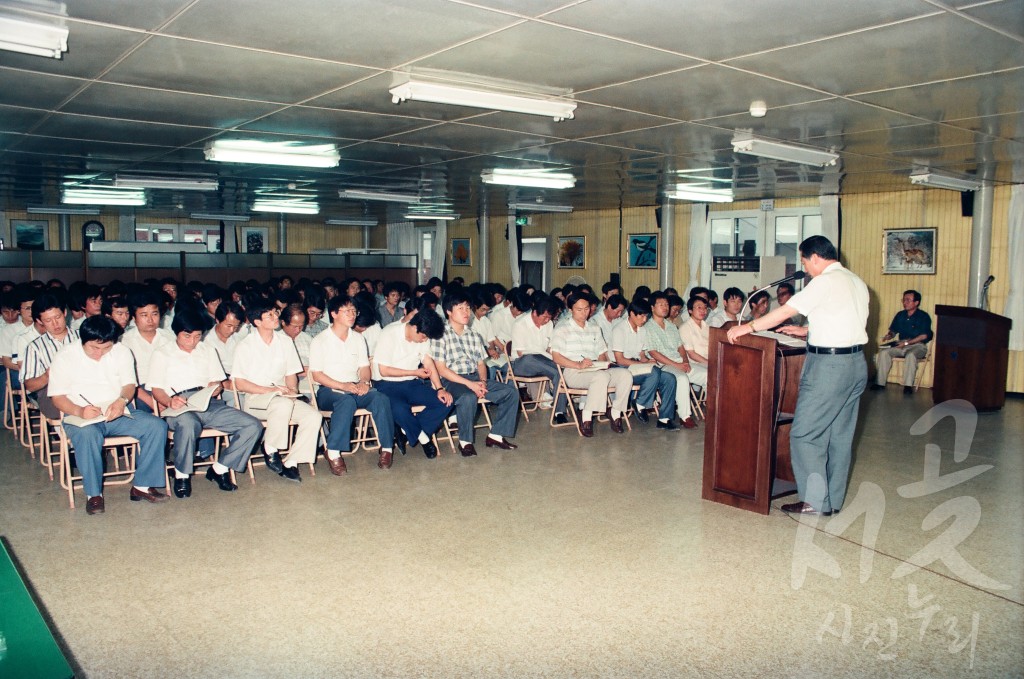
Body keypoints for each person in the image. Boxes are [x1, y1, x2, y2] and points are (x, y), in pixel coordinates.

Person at [727, 235, 868, 516]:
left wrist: (748, 327)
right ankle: (832, 501)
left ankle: (815, 502)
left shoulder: (824, 281)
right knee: (839, 436)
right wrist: (806, 331)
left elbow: (785, 312)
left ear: (815, 257)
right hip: (856, 364)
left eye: (804, 261)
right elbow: (844, 320)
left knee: (804, 435)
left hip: (829, 368)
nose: (804, 268)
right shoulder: (856, 281)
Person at [48, 316, 170, 515]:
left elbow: (130, 385)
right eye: (94, 348)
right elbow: (57, 397)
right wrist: (80, 411)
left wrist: (121, 401)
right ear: (82, 340)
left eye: (106, 348)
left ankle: (142, 486)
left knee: (156, 426)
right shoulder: (65, 356)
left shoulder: (121, 351)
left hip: (116, 412)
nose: (99, 353)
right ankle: (94, 494)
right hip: (80, 415)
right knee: (88, 435)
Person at [148, 310, 263, 498]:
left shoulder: (207, 350)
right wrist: (170, 401)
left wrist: (215, 388)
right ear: (177, 332)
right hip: (177, 403)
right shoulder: (162, 353)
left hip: (206, 401)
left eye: (197, 336)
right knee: (188, 423)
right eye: (187, 336)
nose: (192, 341)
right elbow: (156, 389)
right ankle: (182, 475)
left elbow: (218, 383)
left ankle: (219, 469)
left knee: (252, 425)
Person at [231, 299, 323, 483]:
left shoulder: (285, 341)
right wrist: (271, 390)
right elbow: (240, 383)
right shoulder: (245, 346)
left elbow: (291, 374)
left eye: (275, 312)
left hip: (282, 398)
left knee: (313, 416)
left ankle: (292, 462)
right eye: (270, 315)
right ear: (257, 322)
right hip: (256, 400)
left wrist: (292, 390)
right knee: (281, 403)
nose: (275, 317)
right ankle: (271, 448)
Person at [310, 294, 396, 472]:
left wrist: (364, 382)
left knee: (380, 398)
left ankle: (387, 448)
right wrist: (343, 386)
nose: (352, 315)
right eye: (347, 311)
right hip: (329, 390)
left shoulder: (358, 338)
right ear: (333, 314)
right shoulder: (320, 340)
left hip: (355, 387)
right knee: (346, 401)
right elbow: (317, 375)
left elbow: (364, 367)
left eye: (354, 311)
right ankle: (333, 451)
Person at [430, 290, 519, 457]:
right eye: (461, 308)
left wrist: (483, 382)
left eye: (467, 308)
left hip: (474, 378)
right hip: (452, 380)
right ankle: (465, 442)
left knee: (510, 392)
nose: (466, 312)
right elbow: (441, 369)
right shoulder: (439, 334)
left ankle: (496, 435)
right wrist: (471, 385)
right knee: (468, 397)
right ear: (449, 311)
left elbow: (480, 364)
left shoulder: (474, 335)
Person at [549, 292, 633, 437]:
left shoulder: (594, 328)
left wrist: (602, 363)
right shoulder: (562, 328)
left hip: (595, 369)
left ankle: (615, 412)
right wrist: (578, 365)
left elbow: (601, 353)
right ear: (570, 310)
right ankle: (586, 417)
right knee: (600, 377)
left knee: (625, 375)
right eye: (579, 310)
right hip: (573, 372)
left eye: (586, 309)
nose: (584, 313)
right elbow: (556, 357)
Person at [372, 309, 451, 459]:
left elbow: (428, 362)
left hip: (410, 383)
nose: (424, 340)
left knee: (445, 402)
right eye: (423, 336)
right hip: (385, 384)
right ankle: (423, 438)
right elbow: (384, 371)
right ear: (414, 327)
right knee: (400, 409)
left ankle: (404, 431)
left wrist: (440, 388)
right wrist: (414, 372)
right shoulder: (389, 334)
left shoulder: (423, 337)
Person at [610, 299, 678, 430]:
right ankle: (640, 403)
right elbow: (620, 359)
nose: (644, 319)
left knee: (669, 378)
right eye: (641, 315)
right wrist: (641, 365)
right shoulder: (619, 330)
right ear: (631, 314)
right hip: (622, 369)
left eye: (646, 316)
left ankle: (664, 419)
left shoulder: (642, 330)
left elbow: (641, 354)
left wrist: (647, 361)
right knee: (654, 372)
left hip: (637, 368)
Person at [20, 294, 78, 420]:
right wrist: (47, 375)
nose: (55, 323)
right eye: (48, 320)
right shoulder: (35, 347)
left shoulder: (82, 338)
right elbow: (29, 385)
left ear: (64, 312)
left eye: (57, 317)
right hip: (51, 390)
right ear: (40, 321)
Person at [510, 295, 567, 422]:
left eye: (549, 318)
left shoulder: (549, 324)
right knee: (531, 358)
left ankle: (559, 411)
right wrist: (542, 353)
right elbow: (520, 353)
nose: (547, 320)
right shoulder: (520, 324)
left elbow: (548, 348)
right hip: (522, 364)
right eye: (545, 317)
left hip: (541, 361)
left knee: (559, 372)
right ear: (535, 313)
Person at [645, 292, 698, 429]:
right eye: (661, 304)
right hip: (663, 365)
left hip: (680, 362)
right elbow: (653, 353)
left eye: (667, 304)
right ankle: (685, 416)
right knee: (681, 378)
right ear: (652, 307)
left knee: (709, 374)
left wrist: (685, 362)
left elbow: (681, 347)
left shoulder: (671, 326)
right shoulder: (647, 327)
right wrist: (677, 365)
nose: (665, 307)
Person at [120, 290, 174, 413]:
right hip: (140, 392)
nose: (150, 320)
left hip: (169, 388)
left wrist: (166, 399)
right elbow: (128, 381)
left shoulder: (170, 338)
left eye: (154, 314)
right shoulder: (124, 341)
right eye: (144, 315)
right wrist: (151, 401)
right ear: (133, 318)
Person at [872, 290, 933, 394]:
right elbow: (893, 330)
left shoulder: (923, 316)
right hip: (901, 344)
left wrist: (906, 344)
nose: (905, 302)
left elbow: (923, 335)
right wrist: (889, 335)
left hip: (917, 346)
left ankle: (908, 386)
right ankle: (879, 383)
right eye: (904, 300)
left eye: (908, 300)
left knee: (911, 355)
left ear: (916, 302)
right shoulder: (900, 315)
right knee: (884, 353)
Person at [677, 296, 710, 389]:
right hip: (693, 364)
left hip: (708, 362)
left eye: (705, 308)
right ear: (690, 310)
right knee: (712, 375)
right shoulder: (685, 327)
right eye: (699, 307)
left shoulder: (707, 327)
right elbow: (691, 354)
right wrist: (711, 363)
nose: (703, 310)